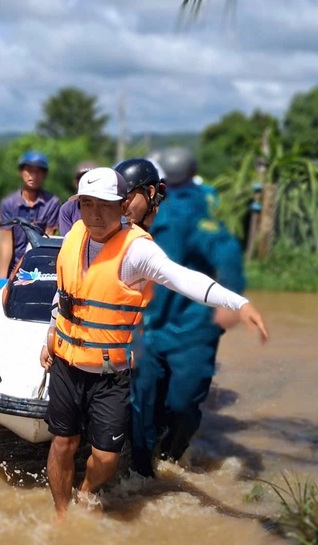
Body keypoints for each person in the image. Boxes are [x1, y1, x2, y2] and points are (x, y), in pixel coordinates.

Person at [40, 167, 268, 520]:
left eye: (104, 205)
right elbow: (65, 294)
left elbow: (182, 279)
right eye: (86, 204)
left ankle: (86, 490)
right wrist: (49, 335)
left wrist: (237, 302)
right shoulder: (73, 236)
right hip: (67, 364)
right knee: (62, 443)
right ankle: (60, 515)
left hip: (108, 373)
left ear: (121, 206)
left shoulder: (137, 252)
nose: (94, 214)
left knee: (106, 457)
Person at [124, 148, 249, 478]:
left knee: (182, 404)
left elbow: (227, 255)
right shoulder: (121, 226)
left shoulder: (190, 216)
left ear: (152, 192)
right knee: (141, 404)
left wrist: (229, 307)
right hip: (144, 328)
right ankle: (142, 473)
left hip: (189, 328)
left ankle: (171, 454)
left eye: (130, 195)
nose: (123, 204)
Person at [0, 150, 61, 279]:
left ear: (44, 175)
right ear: (21, 172)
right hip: (14, 268)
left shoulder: (52, 203)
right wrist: (2, 277)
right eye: (29, 170)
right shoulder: (9, 204)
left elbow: (48, 238)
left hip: (39, 268)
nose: (33, 176)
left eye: (38, 171)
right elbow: (6, 242)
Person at [57, 160, 98, 237]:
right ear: (76, 183)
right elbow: (67, 241)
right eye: (83, 180)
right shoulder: (66, 209)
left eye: (91, 179)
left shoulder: (111, 205)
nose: (87, 182)